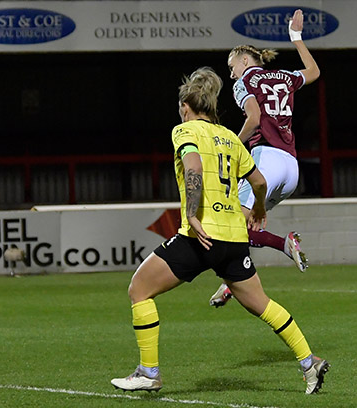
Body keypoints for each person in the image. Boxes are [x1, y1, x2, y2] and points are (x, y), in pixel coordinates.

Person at [109, 67, 329, 394]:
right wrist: (257, 209)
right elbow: (259, 181)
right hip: (235, 239)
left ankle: (148, 372)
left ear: (186, 106)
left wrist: (192, 213)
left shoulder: (184, 131)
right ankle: (309, 362)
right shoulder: (230, 137)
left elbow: (193, 167)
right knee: (262, 304)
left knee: (139, 289)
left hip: (202, 235)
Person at [210, 9, 320, 307]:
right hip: (291, 168)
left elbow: (255, 118)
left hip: (266, 159)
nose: (231, 73)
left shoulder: (244, 82)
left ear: (245, 61)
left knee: (233, 225)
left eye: (232, 66)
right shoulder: (284, 76)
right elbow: (313, 73)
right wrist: (295, 38)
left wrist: (231, 143)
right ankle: (230, 284)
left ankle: (283, 244)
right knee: (243, 228)